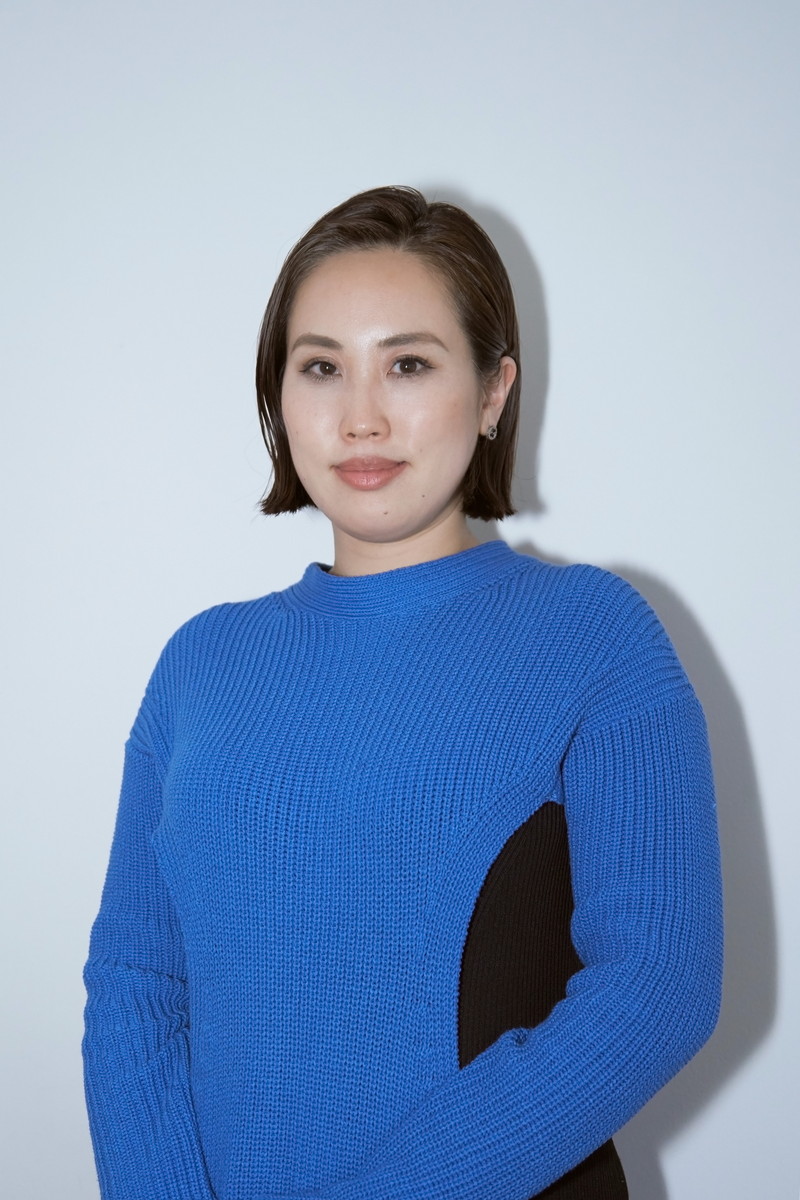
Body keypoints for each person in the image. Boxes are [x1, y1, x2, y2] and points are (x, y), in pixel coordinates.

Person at [82, 186, 724, 1200]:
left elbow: (658, 987)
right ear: (278, 397)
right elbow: (135, 984)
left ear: (493, 392)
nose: (361, 416)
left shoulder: (591, 633)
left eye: (409, 364)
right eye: (321, 367)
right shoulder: (200, 664)